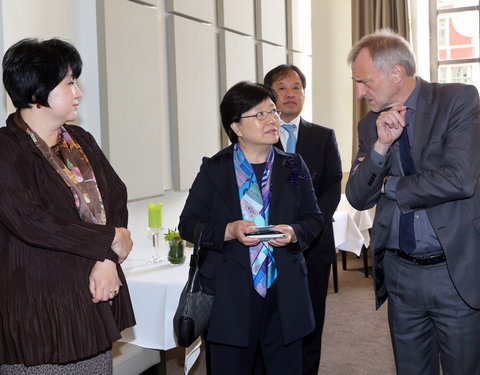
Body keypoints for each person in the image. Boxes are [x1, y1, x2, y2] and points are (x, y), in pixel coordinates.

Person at [346, 28, 480, 375]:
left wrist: (388, 185)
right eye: (356, 83)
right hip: (401, 273)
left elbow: (459, 180)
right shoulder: (368, 125)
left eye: (365, 82)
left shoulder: (458, 100)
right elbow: (358, 196)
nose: (359, 92)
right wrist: (379, 147)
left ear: (396, 73)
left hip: (452, 270)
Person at [0, 38, 135, 373]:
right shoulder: (6, 149)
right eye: (69, 83)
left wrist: (106, 258)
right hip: (39, 307)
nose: (78, 92)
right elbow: (29, 220)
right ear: (36, 92)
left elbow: (115, 195)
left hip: (92, 298)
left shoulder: (80, 140)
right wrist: (108, 240)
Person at [178, 81, 324, 374]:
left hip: (284, 293)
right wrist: (229, 230)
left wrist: (294, 232)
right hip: (230, 296)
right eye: (259, 114)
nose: (272, 120)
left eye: (273, 111)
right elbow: (188, 225)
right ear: (237, 127)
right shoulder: (215, 169)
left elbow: (314, 218)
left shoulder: (293, 166)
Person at [264, 64, 342, 375]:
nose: (290, 94)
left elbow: (333, 187)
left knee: (310, 321)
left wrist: (307, 229)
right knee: (272, 320)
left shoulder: (323, 136)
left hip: (314, 246)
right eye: (282, 88)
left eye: (296, 87)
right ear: (270, 95)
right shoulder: (259, 137)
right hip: (269, 246)